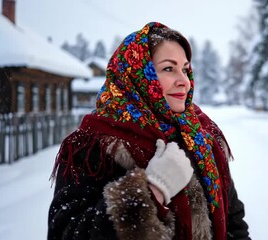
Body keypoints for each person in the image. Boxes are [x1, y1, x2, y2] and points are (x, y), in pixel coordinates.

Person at [48, 22, 250, 240]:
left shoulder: (202, 137)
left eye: (185, 69)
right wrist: (150, 191)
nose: (184, 81)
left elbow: (235, 224)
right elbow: (66, 233)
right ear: (136, 75)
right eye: (168, 69)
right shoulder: (91, 146)